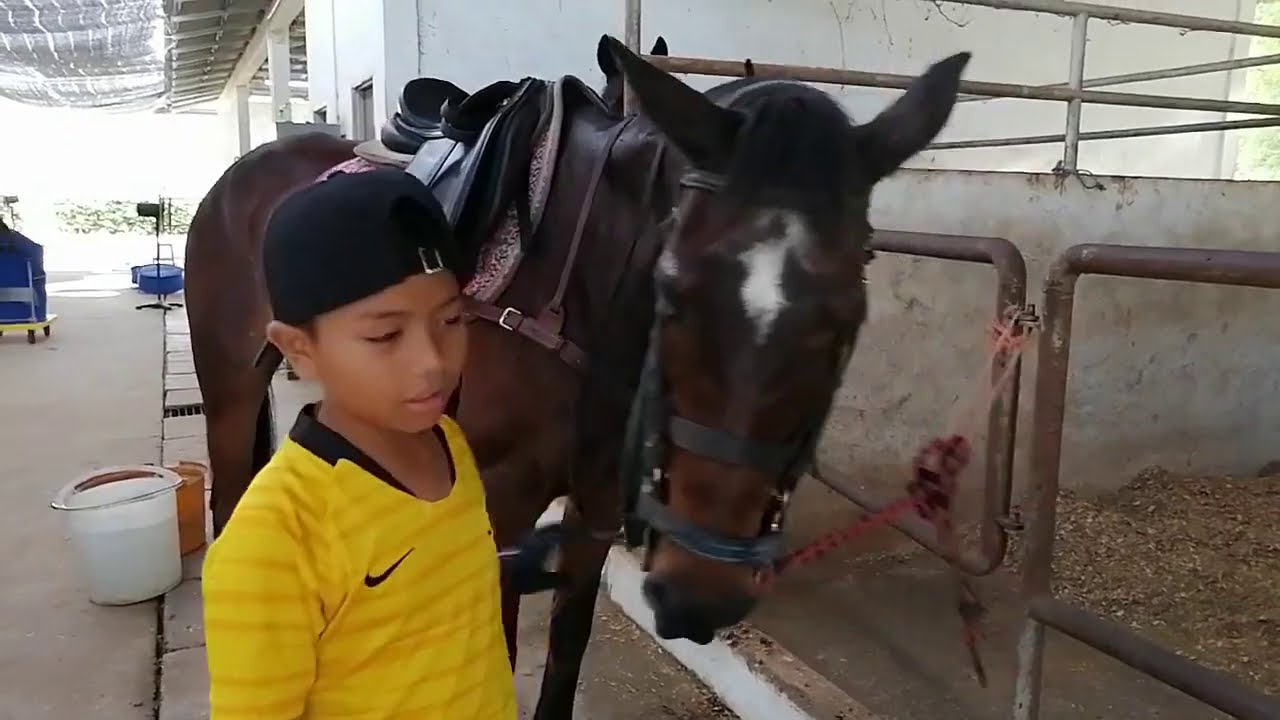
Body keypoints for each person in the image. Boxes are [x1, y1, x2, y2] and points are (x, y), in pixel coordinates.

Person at [201, 168, 566, 720]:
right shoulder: (274, 540)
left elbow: (424, 592)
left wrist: (513, 565)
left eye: (451, 320)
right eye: (385, 335)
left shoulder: (448, 443)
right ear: (299, 350)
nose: (433, 361)